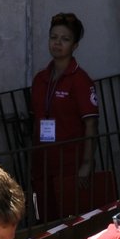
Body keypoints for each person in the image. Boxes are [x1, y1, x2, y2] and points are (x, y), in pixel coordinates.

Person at [28, 12, 100, 220]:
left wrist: (86, 163)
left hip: (69, 162)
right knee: (45, 218)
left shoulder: (80, 80)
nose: (57, 43)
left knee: (70, 218)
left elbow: (91, 124)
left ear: (74, 45)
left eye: (65, 39)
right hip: (43, 162)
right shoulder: (40, 79)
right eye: (53, 37)